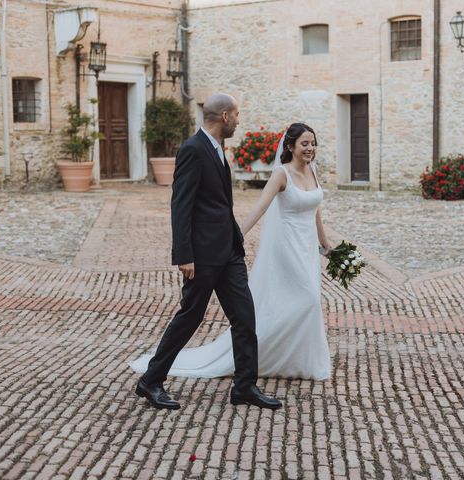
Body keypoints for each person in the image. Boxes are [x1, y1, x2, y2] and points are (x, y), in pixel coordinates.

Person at [131, 122, 332, 382]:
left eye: (313, 143)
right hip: (286, 248)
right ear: (290, 146)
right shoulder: (281, 174)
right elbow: (259, 208)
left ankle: (282, 366)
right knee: (307, 300)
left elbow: (315, 208)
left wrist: (325, 243)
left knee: (269, 312)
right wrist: (237, 236)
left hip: (306, 250)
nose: (310, 148)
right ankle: (156, 376)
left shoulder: (312, 170)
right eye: (305, 143)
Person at [132, 93, 281, 411]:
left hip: (229, 251)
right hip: (201, 255)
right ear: (225, 116)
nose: (240, 121)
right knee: (190, 317)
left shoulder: (217, 149)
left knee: (244, 318)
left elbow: (218, 204)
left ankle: (244, 386)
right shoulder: (193, 149)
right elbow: (181, 204)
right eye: (237, 115)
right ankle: (151, 381)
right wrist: (184, 255)